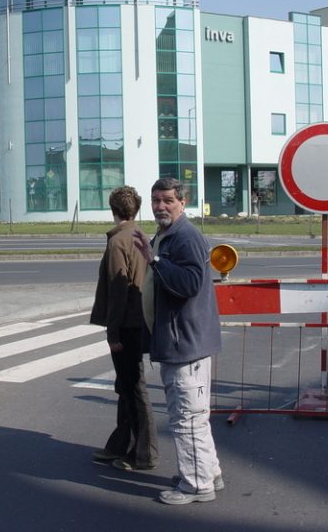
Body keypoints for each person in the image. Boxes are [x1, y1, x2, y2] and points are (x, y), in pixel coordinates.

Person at [132, 177, 223, 506]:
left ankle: (196, 485)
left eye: (168, 200)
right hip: (182, 341)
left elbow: (189, 284)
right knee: (195, 415)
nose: (160, 206)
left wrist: (154, 260)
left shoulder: (185, 237)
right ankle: (208, 471)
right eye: (156, 200)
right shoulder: (169, 235)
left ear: (183, 202)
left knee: (186, 417)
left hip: (186, 344)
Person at [89, 186, 159, 471]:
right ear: (137, 210)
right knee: (127, 385)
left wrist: (112, 333)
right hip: (140, 321)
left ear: (112, 209)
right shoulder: (140, 236)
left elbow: (118, 291)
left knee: (133, 388)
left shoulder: (118, 242)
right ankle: (120, 444)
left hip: (127, 325)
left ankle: (144, 453)